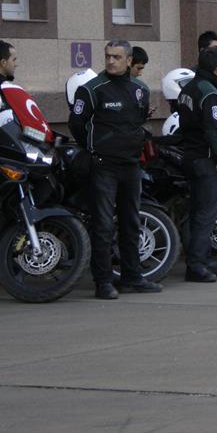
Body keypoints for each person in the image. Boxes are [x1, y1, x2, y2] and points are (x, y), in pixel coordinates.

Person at [69, 40, 162, 299]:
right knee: (102, 225)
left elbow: (139, 119)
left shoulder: (140, 89)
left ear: (129, 60)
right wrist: (96, 147)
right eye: (108, 56)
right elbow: (77, 124)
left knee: (131, 222)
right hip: (103, 166)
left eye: (117, 57)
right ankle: (103, 282)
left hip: (131, 165)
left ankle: (132, 277)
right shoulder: (92, 89)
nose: (111, 61)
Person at [177, 47, 217, 283]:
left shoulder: (188, 88)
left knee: (196, 212)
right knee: (205, 214)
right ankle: (197, 265)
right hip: (206, 158)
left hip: (190, 154)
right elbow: (212, 129)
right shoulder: (209, 93)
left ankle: (201, 258)